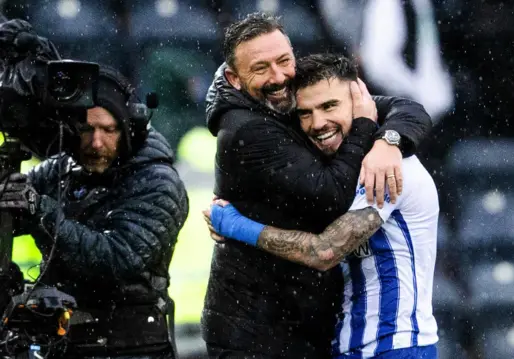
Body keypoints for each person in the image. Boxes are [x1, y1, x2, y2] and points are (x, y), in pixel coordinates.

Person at [204, 12, 433, 359]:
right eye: (306, 113)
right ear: (235, 79)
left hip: (393, 345)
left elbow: (324, 251)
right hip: (265, 332)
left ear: (359, 101)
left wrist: (387, 139)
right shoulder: (248, 129)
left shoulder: (388, 168)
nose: (317, 123)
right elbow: (328, 205)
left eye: (284, 61)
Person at [0, 66, 189, 359]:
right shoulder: (63, 168)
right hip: (63, 343)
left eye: (108, 130)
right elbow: (16, 205)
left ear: (129, 129)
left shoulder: (158, 182)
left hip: (131, 348)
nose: (96, 143)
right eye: (86, 129)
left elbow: (116, 260)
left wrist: (42, 211)